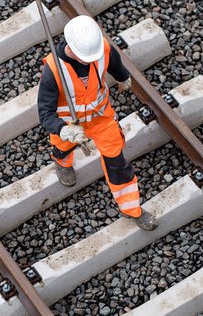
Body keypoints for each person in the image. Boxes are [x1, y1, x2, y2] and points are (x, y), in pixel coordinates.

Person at [37, 15, 158, 231]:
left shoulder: (101, 49)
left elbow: (114, 64)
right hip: (69, 126)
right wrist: (63, 130)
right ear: (71, 49)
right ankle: (62, 163)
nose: (91, 60)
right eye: (85, 57)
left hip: (101, 119)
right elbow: (45, 114)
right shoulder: (53, 71)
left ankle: (131, 209)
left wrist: (123, 78)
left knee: (117, 162)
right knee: (62, 148)